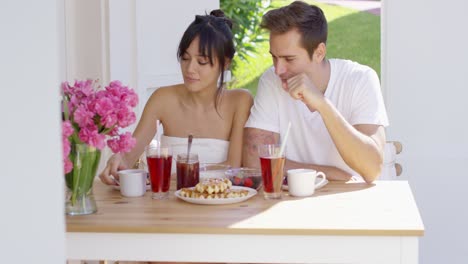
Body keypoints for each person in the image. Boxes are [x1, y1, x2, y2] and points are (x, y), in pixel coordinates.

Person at [100, 10, 253, 185]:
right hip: (166, 205)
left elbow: (233, 167)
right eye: (185, 58)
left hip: (219, 204)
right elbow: (129, 155)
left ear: (225, 63)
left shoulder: (240, 101)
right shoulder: (162, 98)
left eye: (201, 61)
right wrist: (118, 160)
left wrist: (186, 174)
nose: (190, 69)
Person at [242, 1, 389, 183]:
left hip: (352, 200)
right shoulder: (272, 80)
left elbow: (372, 169)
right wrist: (332, 173)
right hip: (293, 201)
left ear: (319, 52)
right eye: (274, 57)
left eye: (289, 59)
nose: (278, 69)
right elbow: (254, 163)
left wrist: (322, 104)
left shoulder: (360, 79)